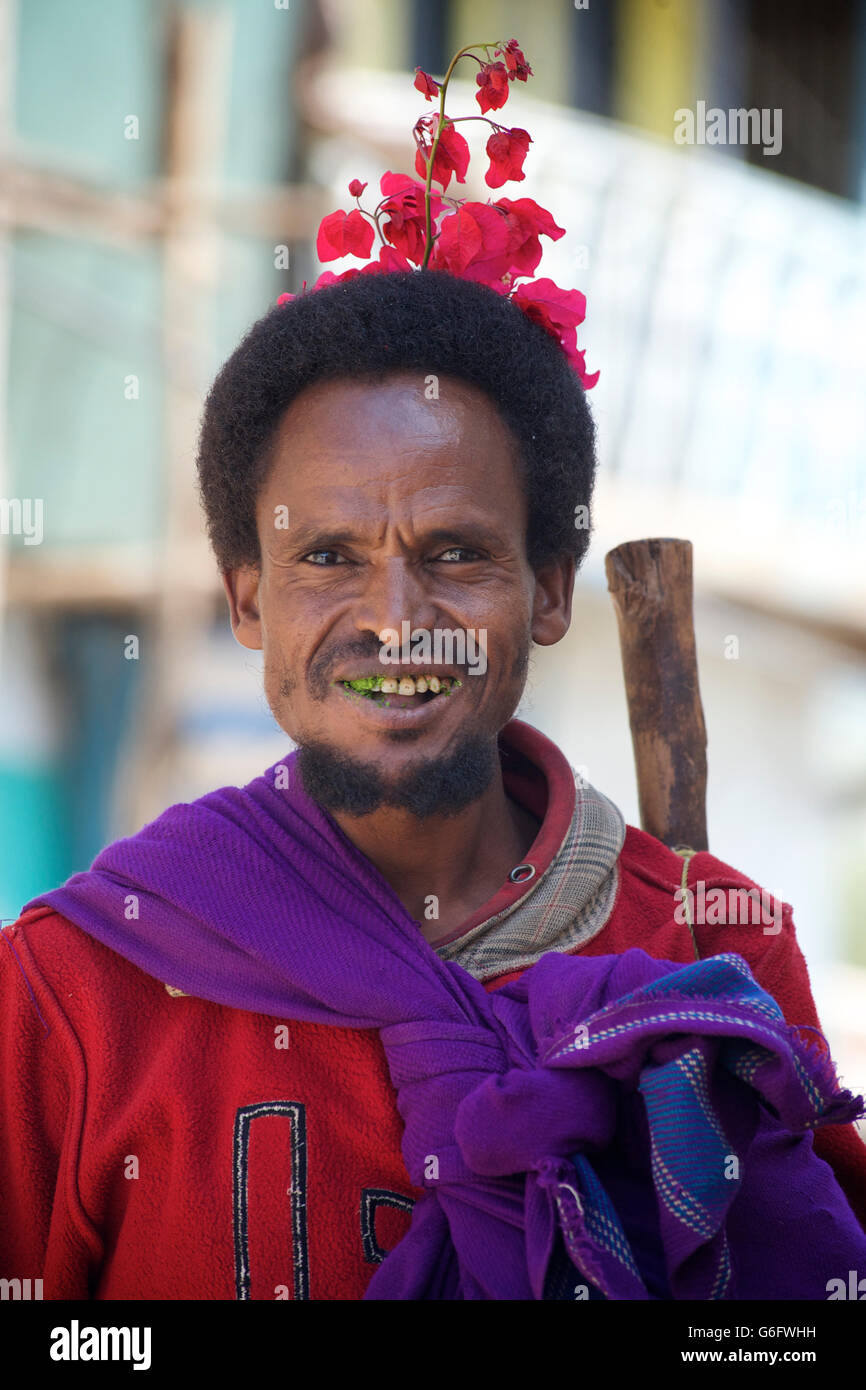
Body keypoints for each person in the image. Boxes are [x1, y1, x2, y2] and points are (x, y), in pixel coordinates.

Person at [2, 268, 865, 1301]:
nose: (395, 617)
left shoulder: (709, 950)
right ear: (248, 603)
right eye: (326, 556)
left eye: (453, 553)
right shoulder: (77, 990)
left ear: (548, 590)